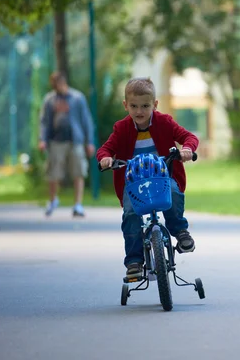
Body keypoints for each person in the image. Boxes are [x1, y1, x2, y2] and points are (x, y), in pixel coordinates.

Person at [97, 77, 199, 279]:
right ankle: (134, 260)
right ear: (126, 105)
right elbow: (106, 149)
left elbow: (189, 137)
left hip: (161, 178)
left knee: (173, 192)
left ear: (155, 104)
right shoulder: (121, 128)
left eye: (145, 106)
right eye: (134, 106)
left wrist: (187, 149)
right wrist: (106, 159)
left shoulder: (164, 122)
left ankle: (180, 231)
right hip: (134, 182)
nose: (139, 111)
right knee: (130, 214)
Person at [38, 72, 96, 217]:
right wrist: (43, 140)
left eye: (58, 83)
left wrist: (89, 142)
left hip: (75, 140)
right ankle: (52, 200)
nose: (57, 87)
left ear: (64, 82)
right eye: (54, 84)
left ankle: (78, 205)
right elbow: (44, 122)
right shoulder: (49, 99)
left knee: (79, 172)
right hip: (56, 141)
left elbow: (86, 120)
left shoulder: (77, 98)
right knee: (53, 173)